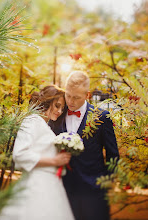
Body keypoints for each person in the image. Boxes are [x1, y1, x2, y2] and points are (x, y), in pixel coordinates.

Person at [48, 71, 119, 220]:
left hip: (93, 192)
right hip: (62, 190)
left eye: (76, 97)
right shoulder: (57, 115)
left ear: (87, 95)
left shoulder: (102, 117)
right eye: (68, 95)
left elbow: (113, 155)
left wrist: (105, 183)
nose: (70, 101)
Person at [0, 85, 74, 220]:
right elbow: (19, 154)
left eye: (62, 108)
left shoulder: (45, 126)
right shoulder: (31, 121)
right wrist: (54, 161)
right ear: (46, 102)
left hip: (51, 186)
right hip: (37, 186)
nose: (60, 111)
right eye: (57, 106)